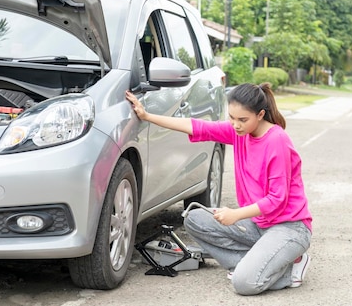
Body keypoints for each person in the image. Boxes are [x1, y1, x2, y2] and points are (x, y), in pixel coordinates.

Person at [125, 82, 312, 295]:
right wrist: (147, 116)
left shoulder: (277, 140)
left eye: (242, 120)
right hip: (258, 224)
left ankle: (292, 268)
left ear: (260, 115)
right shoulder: (239, 132)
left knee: (244, 284)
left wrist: (236, 214)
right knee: (194, 219)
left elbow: (277, 199)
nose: (235, 124)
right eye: (232, 118)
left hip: (288, 228)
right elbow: (197, 126)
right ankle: (255, 261)